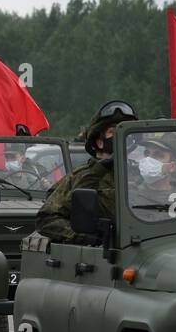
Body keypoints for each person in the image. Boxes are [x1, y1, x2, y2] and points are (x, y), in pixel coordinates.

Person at [36, 100, 136, 243]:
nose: (121, 138)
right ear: (99, 141)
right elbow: (46, 219)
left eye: (125, 132)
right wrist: (80, 236)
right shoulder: (80, 177)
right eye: (114, 132)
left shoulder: (138, 175)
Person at [127, 134, 176, 220]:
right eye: (147, 153)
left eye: (158, 155)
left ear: (172, 166)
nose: (149, 159)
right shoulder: (127, 195)